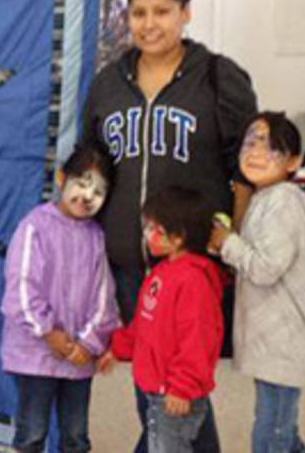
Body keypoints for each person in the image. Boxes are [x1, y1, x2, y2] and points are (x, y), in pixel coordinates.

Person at [80, 0, 255, 452]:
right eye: (139, 13)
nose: (149, 23)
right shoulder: (108, 83)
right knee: (154, 379)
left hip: (190, 260)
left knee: (184, 378)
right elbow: (93, 160)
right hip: (129, 257)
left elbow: (244, 168)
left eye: (161, 11)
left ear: (185, 13)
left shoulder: (218, 77)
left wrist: (235, 239)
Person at [209, 112, 305, 453]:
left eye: (271, 147)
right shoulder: (265, 198)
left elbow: (265, 268)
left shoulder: (285, 201)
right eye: (250, 143)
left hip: (283, 341)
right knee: (282, 430)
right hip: (270, 340)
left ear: (293, 161)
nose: (256, 153)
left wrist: (228, 242)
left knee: (271, 433)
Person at [1, 145, 124, 453]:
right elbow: (21, 288)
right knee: (32, 434)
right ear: (60, 178)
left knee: (76, 436)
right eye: (81, 184)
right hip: (36, 354)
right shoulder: (34, 227)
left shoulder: (96, 236)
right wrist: (48, 331)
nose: (87, 196)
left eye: (98, 191)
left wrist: (89, 343)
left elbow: (104, 296)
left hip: (79, 359)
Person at [98, 187, 228, 453]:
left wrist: (183, 386)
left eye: (155, 229)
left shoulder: (193, 281)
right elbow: (144, 325)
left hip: (173, 393)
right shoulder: (162, 272)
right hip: (156, 389)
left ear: (179, 237)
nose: (147, 235)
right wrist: (119, 347)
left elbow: (198, 339)